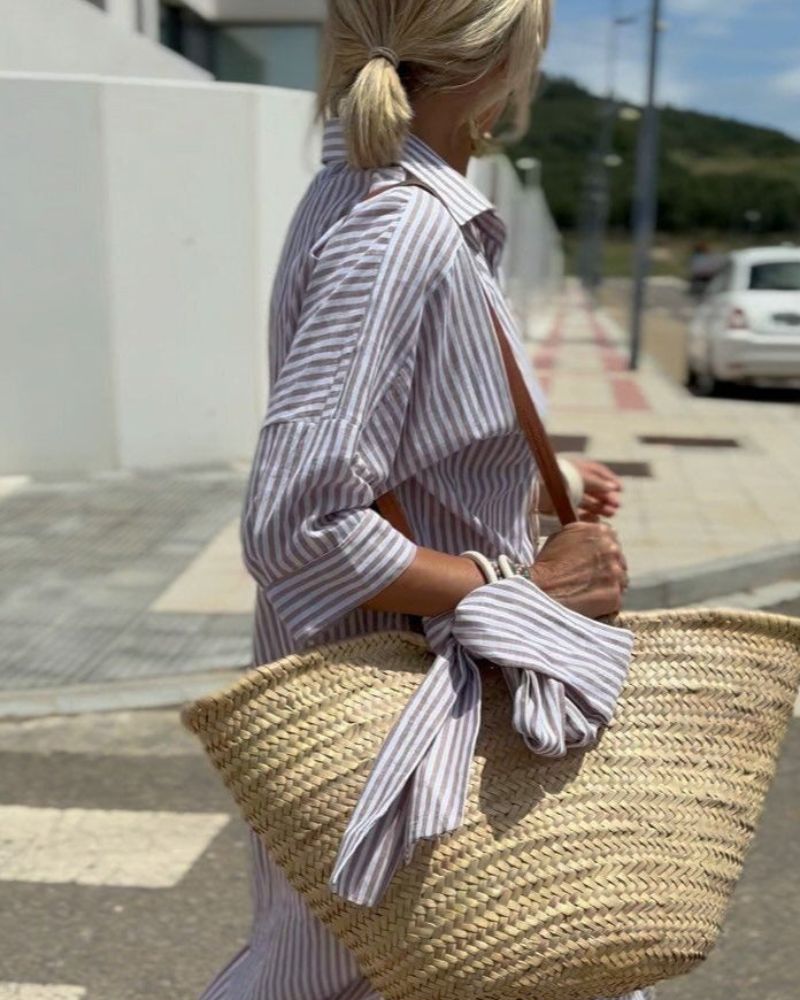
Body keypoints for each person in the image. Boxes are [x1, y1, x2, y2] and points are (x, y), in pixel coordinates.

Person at [201, 2, 647, 998]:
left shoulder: (366, 193)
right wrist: (524, 585)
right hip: (400, 725)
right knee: (353, 969)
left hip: (396, 707)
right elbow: (299, 522)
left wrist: (523, 478)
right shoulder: (403, 230)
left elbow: (386, 435)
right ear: (500, 56)